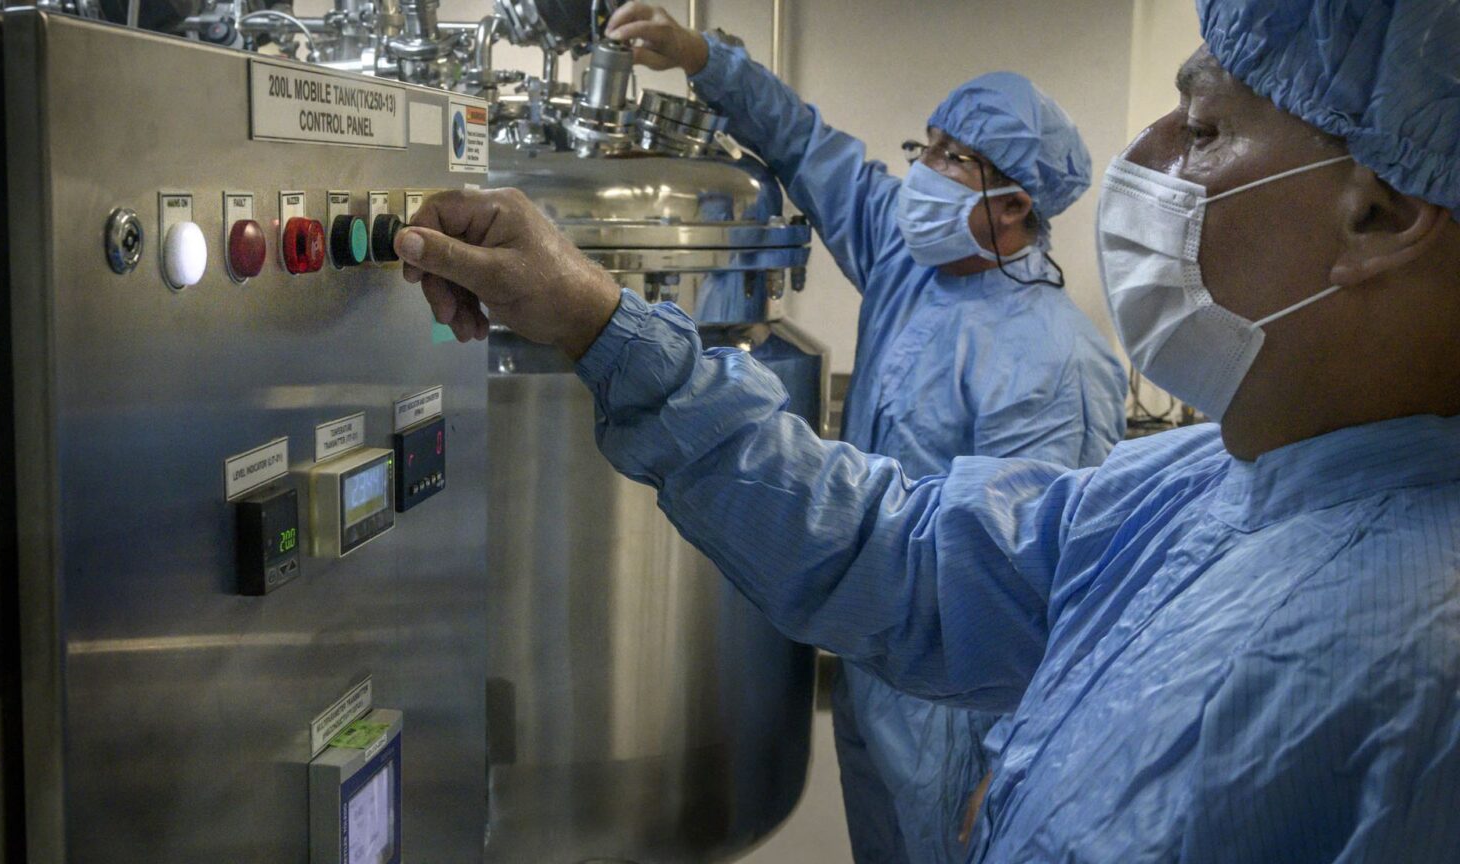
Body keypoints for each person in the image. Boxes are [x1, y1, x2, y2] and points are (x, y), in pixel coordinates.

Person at [395, 0, 1460, 858]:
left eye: (1205, 129)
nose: (1143, 153)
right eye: (931, 148)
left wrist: (991, 769)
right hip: (882, 697)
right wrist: (597, 316)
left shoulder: (1420, 680)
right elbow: (901, 554)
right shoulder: (1203, 482)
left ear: (1381, 213)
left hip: (942, 737)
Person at [599, 6, 1127, 860]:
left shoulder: (1053, 362)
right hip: (872, 669)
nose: (923, 171)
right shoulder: (908, 259)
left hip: (963, 715)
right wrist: (701, 57)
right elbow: (807, 147)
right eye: (928, 145)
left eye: (952, 159)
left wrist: (1015, 764)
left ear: (1014, 204)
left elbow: (1051, 588)